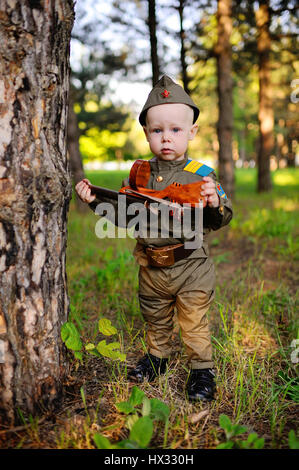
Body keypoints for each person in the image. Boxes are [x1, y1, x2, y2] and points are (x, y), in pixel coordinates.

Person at [75, 75, 233, 402]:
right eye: (157, 130)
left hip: (191, 265)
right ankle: (157, 359)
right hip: (151, 266)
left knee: (193, 322)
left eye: (176, 130)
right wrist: (94, 201)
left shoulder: (202, 174)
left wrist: (215, 202)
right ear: (146, 133)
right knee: (155, 316)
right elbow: (124, 213)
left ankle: (202, 370)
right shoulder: (139, 173)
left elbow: (219, 219)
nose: (166, 138)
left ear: (192, 132)